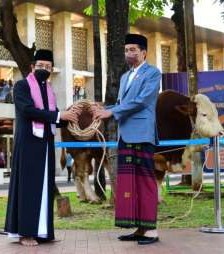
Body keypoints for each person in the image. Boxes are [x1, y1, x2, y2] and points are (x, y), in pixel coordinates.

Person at [3, 49, 81, 246]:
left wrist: (71, 116)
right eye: (40, 66)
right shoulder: (21, 86)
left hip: (45, 145)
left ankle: (43, 232)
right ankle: (25, 233)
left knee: (45, 188)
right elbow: (28, 111)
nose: (44, 69)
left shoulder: (48, 90)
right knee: (29, 188)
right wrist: (58, 116)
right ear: (32, 67)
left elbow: (53, 118)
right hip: (28, 145)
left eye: (48, 67)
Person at [92, 34, 161, 245]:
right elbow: (124, 103)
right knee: (130, 184)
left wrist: (111, 113)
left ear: (143, 52)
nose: (128, 53)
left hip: (142, 134)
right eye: (126, 50)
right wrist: (105, 109)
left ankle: (152, 231)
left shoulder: (153, 73)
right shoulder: (124, 77)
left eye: (132, 49)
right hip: (126, 135)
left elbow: (141, 102)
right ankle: (139, 228)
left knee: (146, 183)